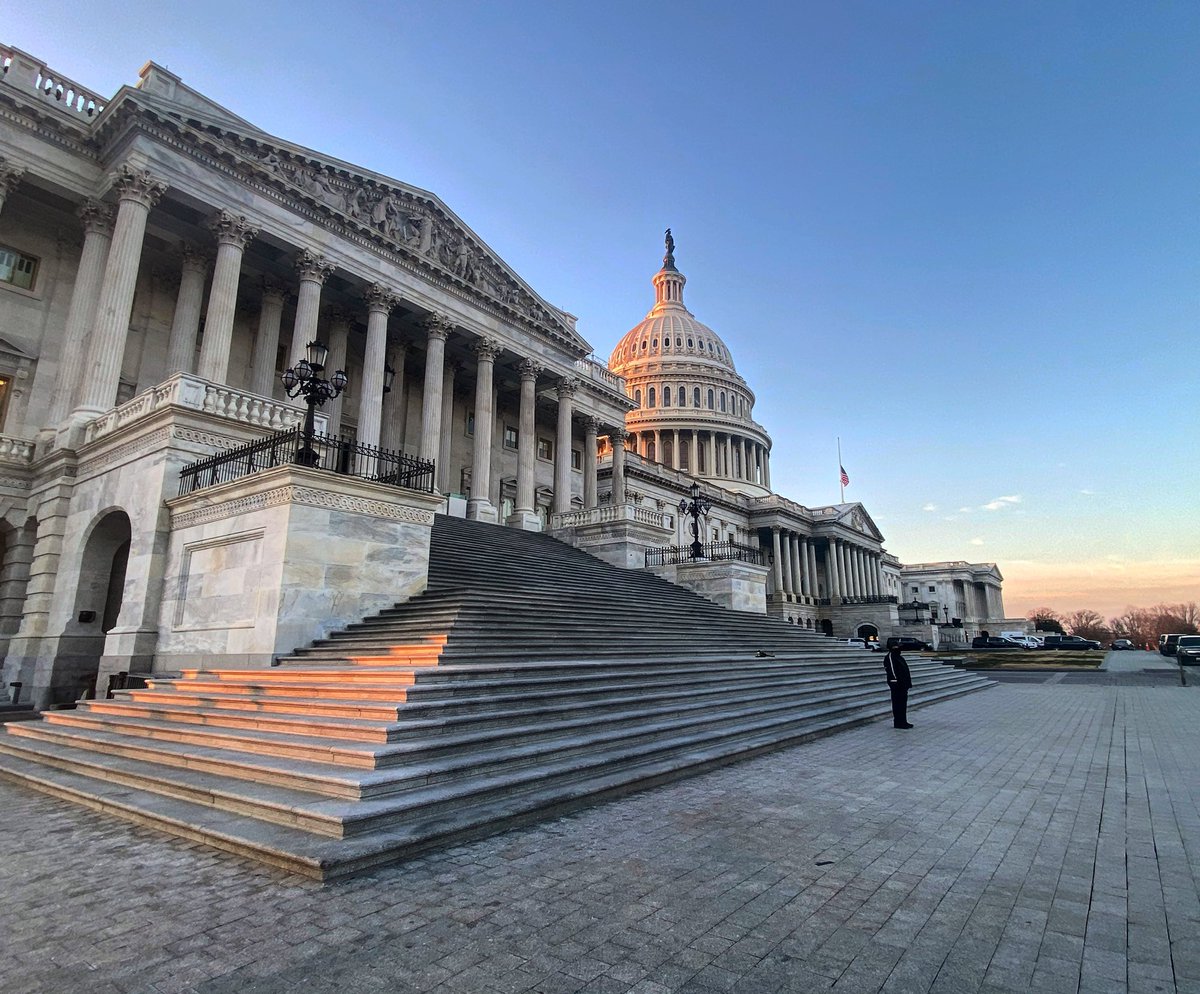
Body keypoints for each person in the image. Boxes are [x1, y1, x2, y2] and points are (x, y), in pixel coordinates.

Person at [884, 644, 913, 728]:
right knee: (897, 703)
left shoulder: (899, 657)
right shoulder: (890, 657)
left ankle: (903, 721)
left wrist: (907, 683)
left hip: (903, 684)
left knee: (903, 704)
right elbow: (891, 670)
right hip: (897, 684)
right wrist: (895, 681)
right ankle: (898, 722)